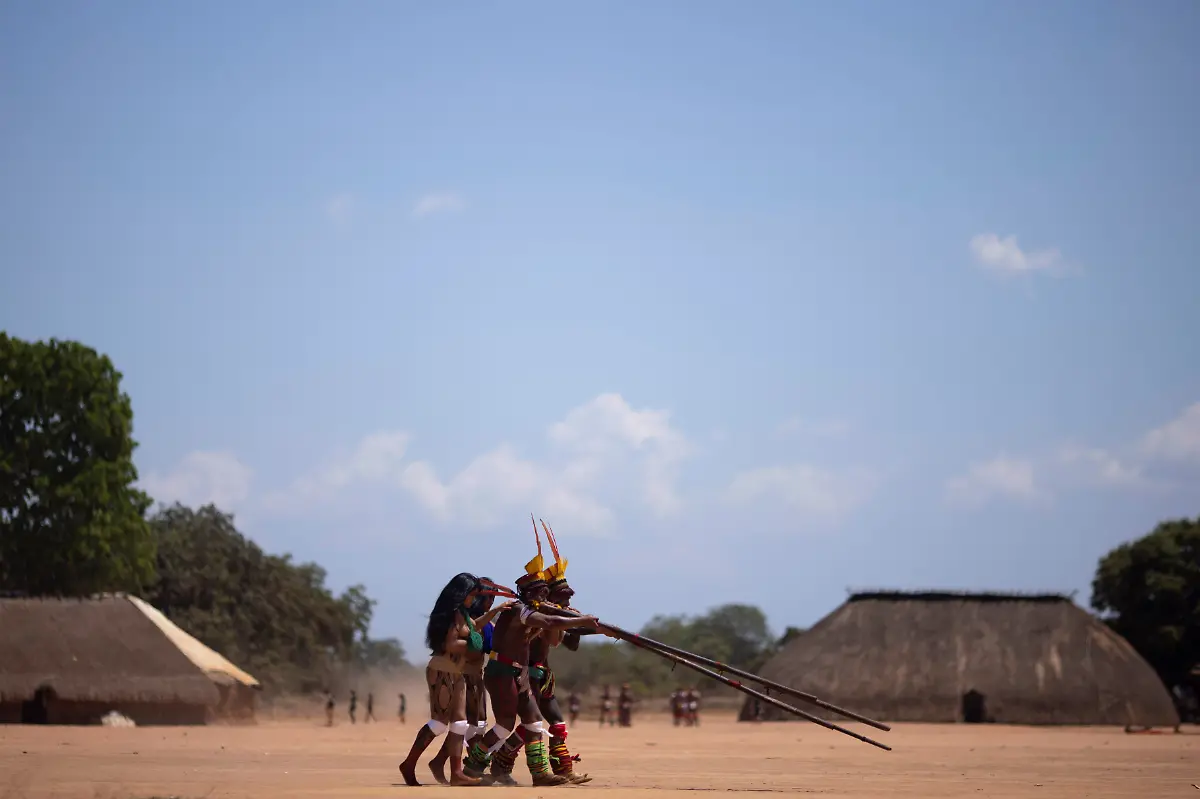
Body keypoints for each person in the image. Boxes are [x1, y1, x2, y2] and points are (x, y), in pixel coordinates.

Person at [462, 531, 600, 787]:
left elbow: (556, 635)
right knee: (504, 726)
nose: (541, 598)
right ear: (527, 595)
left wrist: (578, 621)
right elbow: (549, 622)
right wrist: (581, 621)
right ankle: (473, 767)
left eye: (544, 593)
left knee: (535, 723)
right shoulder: (518, 610)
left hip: (519, 675)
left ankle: (540, 774)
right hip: (502, 671)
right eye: (538, 593)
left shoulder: (530, 609)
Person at [398, 572, 489, 787]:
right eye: (472, 595)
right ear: (463, 593)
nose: (473, 599)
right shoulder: (452, 614)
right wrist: (474, 646)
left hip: (455, 672)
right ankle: (408, 764)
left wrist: (494, 612)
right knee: (439, 724)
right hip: (442, 671)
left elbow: (472, 628)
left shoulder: (462, 614)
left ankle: (456, 773)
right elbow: (450, 645)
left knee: (460, 723)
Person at [427, 579, 511, 784]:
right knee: (469, 725)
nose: (490, 602)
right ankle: (467, 766)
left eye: (493, 598)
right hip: (465, 676)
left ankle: (459, 765)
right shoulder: (467, 620)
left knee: (472, 725)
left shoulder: (481, 622)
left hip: (476, 677)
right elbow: (473, 649)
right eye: (488, 598)